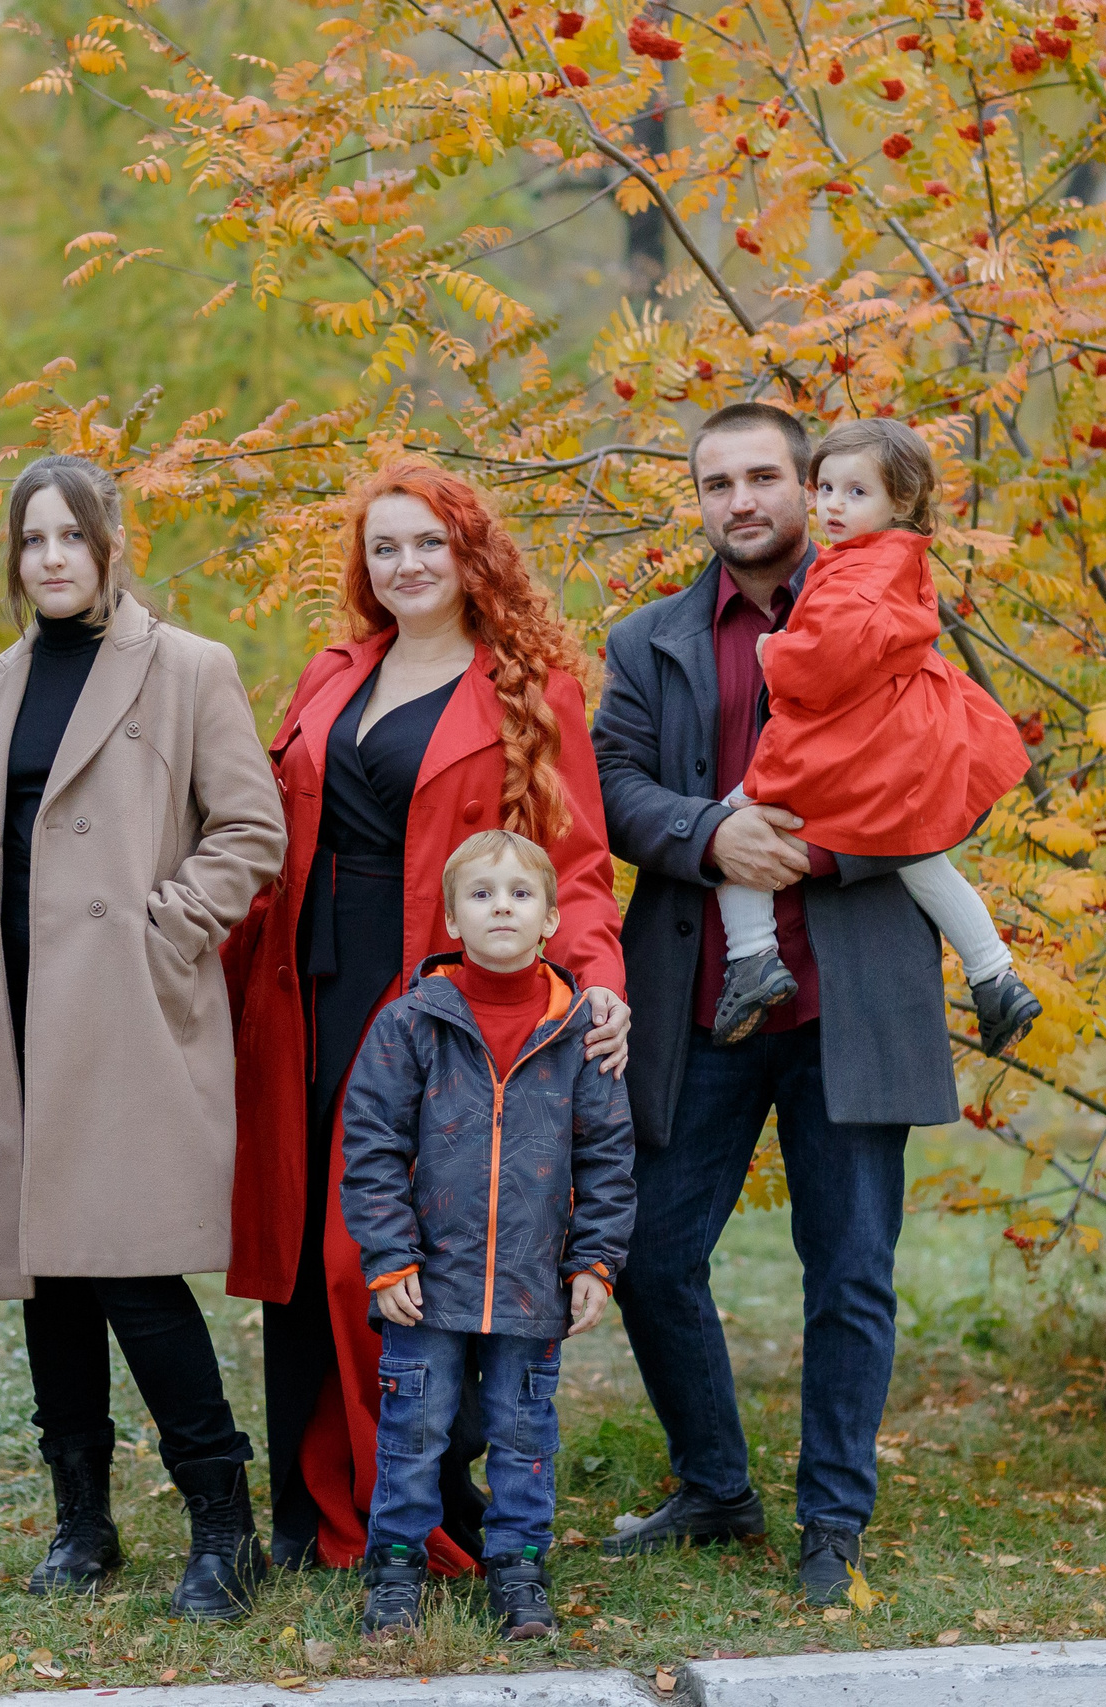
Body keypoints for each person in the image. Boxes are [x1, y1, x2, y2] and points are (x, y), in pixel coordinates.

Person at [0, 454, 286, 1619]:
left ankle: (223, 1528)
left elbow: (250, 829)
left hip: (118, 1010)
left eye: (70, 536)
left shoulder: (188, 670)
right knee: (43, 1282)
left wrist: (168, 927)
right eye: (30, 539)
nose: (49, 557)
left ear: (111, 546)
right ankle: (83, 1525)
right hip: (1, 1009)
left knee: (133, 1272)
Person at [589, 401, 968, 1607]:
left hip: (848, 992)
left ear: (810, 487)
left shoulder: (893, 609)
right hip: (703, 996)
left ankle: (832, 1518)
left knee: (848, 1268)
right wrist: (713, 834)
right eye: (717, 483)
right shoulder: (648, 641)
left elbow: (954, 778)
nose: (741, 500)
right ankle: (713, 1484)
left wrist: (818, 852)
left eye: (764, 476)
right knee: (650, 1252)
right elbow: (611, 785)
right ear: (697, 500)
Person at [222, 461, 630, 1577]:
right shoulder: (331, 672)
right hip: (301, 987)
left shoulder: (526, 688)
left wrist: (598, 981)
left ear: (470, 556)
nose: (403, 566)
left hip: (433, 1000)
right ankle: (308, 1514)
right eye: (383, 548)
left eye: (427, 546)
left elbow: (575, 860)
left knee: (393, 1249)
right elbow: (262, 834)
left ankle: (411, 1506)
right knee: (305, 1248)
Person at [340, 830, 635, 1640]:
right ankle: (397, 1566)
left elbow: (608, 1158)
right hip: (427, 1281)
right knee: (415, 1425)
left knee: (521, 1429)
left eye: (519, 892)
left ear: (550, 920)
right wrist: (389, 1251)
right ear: (451, 917)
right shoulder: (411, 1026)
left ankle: (518, 1567)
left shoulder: (578, 1033)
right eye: (480, 892)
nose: (500, 904)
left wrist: (597, 1260)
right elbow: (370, 1144)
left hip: (533, 1283)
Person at [707, 416, 1039, 1053]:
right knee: (920, 857)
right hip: (893, 759)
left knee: (733, 829)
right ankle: (994, 973)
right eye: (826, 488)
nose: (833, 505)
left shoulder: (854, 577)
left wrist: (776, 652)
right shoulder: (897, 560)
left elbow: (824, 661)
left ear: (901, 502)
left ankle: (751, 958)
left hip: (839, 756)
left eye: (856, 493)